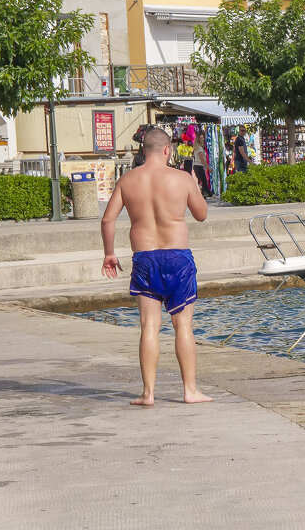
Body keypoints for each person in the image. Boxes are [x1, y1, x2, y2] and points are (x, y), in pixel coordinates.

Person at [101, 129, 212, 406]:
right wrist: (195, 187)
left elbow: (107, 221)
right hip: (178, 259)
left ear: (144, 151)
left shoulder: (127, 180)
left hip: (145, 258)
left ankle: (148, 393)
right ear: (166, 150)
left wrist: (110, 253)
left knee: (149, 326)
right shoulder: (182, 178)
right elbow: (201, 215)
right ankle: (190, 391)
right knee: (183, 326)